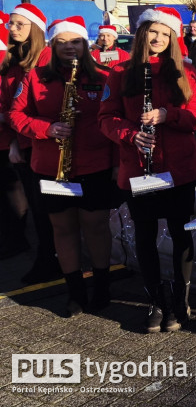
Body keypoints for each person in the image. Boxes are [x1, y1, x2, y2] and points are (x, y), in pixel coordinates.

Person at [99, 6, 196, 332]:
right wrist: (131, 135)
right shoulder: (120, 72)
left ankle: (179, 299)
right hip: (139, 169)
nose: (158, 38)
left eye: (164, 33)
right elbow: (105, 118)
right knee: (144, 237)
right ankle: (156, 301)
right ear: (141, 33)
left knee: (179, 234)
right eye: (152, 31)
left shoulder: (187, 72)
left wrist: (166, 114)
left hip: (178, 170)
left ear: (172, 37)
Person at [9, 16, 120, 317]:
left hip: (94, 164)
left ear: (85, 44)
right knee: (63, 229)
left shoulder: (104, 75)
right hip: (50, 167)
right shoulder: (34, 77)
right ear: (52, 45)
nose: (70, 47)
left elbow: (116, 118)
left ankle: (102, 286)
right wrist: (47, 128)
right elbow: (16, 115)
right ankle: (75, 292)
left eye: (76, 42)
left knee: (96, 226)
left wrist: (117, 164)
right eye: (62, 42)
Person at [0, 3, 60, 284]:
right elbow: (13, 107)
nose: (11, 29)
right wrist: (13, 141)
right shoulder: (14, 61)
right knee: (38, 207)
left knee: (47, 209)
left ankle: (51, 259)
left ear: (34, 28)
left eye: (18, 24)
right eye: (11, 24)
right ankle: (46, 258)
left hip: (45, 143)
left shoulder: (47, 59)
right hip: (25, 142)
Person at [0, 16, 30, 261]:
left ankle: (16, 240)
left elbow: (12, 107)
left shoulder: (11, 65)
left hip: (9, 138)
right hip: (9, 135)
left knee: (12, 191)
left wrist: (12, 142)